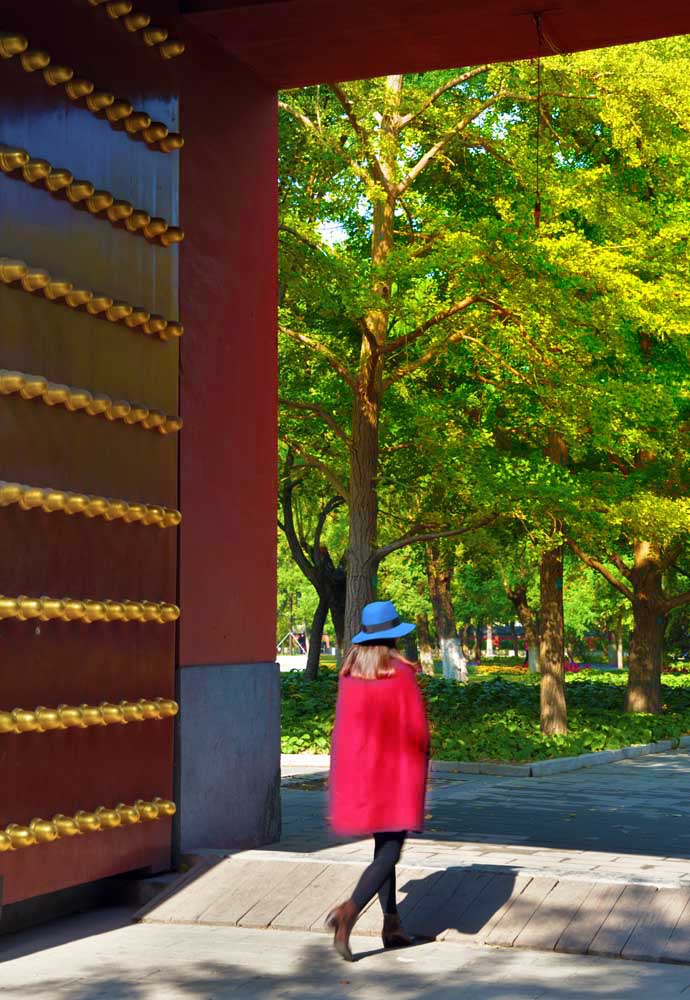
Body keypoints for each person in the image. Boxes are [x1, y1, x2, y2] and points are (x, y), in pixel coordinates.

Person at [326, 600, 430, 962]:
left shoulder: (350, 674)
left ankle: (392, 924)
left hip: (361, 774)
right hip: (394, 773)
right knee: (391, 850)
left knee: (383, 846)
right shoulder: (400, 673)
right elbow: (417, 730)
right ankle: (349, 911)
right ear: (393, 638)